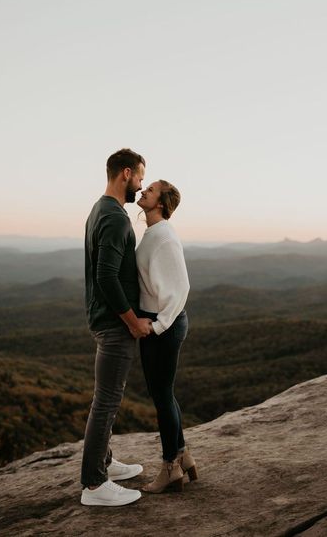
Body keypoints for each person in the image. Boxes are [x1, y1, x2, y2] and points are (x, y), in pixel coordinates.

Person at [80, 148, 153, 507]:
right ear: (126, 173)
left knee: (106, 398)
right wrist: (133, 321)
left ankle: (105, 463)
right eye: (140, 177)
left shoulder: (100, 210)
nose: (140, 186)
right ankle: (94, 485)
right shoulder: (116, 218)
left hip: (103, 319)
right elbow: (106, 276)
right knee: (106, 402)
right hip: (114, 324)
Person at [136, 180, 197, 493]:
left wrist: (156, 326)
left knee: (161, 396)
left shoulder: (164, 236)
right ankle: (183, 454)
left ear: (160, 203)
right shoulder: (154, 233)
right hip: (157, 322)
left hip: (163, 325)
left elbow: (181, 288)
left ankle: (170, 467)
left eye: (151, 190)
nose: (144, 191)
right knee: (164, 393)